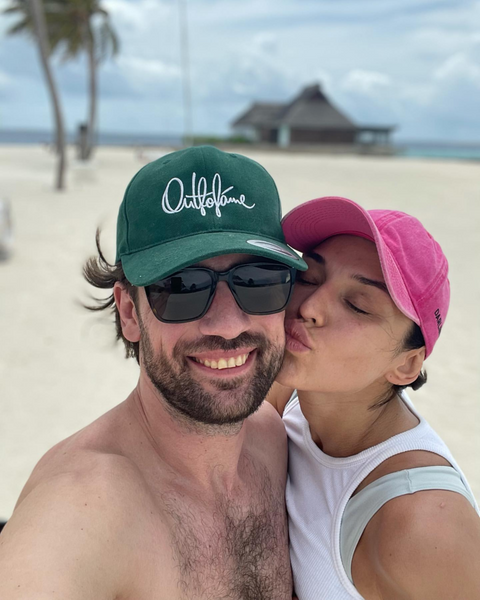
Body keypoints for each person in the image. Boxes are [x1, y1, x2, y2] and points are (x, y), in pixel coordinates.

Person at [0, 146, 307, 599]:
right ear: (129, 312)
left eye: (259, 281)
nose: (227, 324)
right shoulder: (81, 508)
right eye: (182, 288)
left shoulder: (277, 441)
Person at [268, 196, 480, 600]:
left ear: (406, 365)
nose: (309, 307)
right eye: (309, 277)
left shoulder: (421, 523)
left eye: (357, 305)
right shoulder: (296, 387)